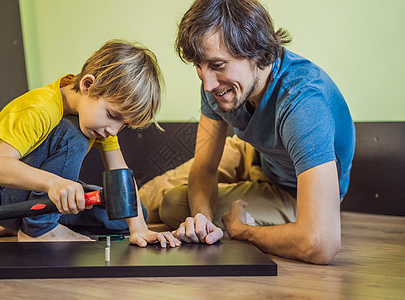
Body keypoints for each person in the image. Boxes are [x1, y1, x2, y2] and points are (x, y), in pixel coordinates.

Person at [152, 0, 355, 263]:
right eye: (199, 66)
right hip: (256, 151)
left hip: (292, 188)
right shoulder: (221, 86)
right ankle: (93, 210)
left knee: (172, 204)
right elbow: (204, 168)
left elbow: (321, 243)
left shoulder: (302, 102)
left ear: (257, 53)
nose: (207, 83)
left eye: (217, 65)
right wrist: (202, 217)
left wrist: (243, 231)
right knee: (154, 194)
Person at [0, 40, 181, 247]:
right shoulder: (41, 108)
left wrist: (139, 229)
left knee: (128, 211)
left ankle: (24, 224)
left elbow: (120, 174)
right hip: (1, 202)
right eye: (112, 115)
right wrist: (53, 183)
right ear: (87, 85)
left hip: (29, 203)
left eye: (123, 125)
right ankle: (38, 229)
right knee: (72, 132)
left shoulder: (102, 123)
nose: (113, 130)